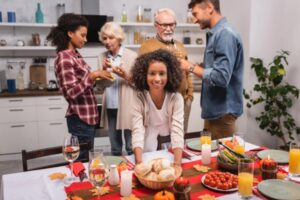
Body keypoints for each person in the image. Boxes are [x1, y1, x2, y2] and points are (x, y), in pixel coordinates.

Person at [47, 13, 113, 159]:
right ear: (70, 33)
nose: (85, 39)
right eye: (82, 35)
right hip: (80, 119)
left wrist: (101, 71)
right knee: (80, 161)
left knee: (85, 160)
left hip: (87, 118)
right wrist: (93, 75)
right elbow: (70, 93)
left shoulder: (75, 55)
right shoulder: (64, 57)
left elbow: (86, 83)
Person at [181, 0, 244, 139]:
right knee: (208, 159)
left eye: (195, 14)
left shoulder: (225, 34)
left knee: (223, 160)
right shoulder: (216, 34)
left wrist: (190, 67)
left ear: (209, 7)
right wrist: (200, 67)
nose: (194, 20)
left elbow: (221, 77)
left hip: (222, 116)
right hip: (214, 114)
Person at [139, 8, 194, 133]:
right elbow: (142, 76)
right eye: (164, 25)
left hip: (183, 101)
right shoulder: (146, 46)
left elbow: (187, 73)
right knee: (160, 141)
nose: (168, 28)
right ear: (156, 26)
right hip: (159, 105)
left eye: (171, 24)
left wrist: (189, 96)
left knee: (180, 138)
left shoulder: (180, 45)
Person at [131, 49, 184, 165]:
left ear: (169, 75)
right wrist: (139, 163)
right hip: (146, 150)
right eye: (152, 73)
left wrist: (177, 164)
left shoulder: (176, 98)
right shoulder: (139, 98)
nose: (157, 79)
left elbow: (177, 131)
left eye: (162, 73)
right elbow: (137, 130)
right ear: (144, 75)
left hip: (171, 150)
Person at [98, 22, 137, 156]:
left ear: (119, 38)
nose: (107, 42)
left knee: (131, 146)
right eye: (104, 38)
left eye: (111, 37)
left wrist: (125, 75)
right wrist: (102, 73)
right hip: (110, 105)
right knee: (115, 148)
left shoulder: (132, 56)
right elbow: (100, 86)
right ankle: (118, 175)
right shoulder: (102, 57)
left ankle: (134, 173)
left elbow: (139, 85)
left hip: (128, 106)